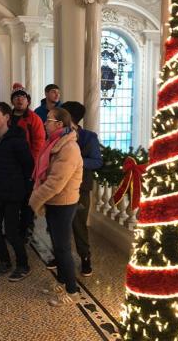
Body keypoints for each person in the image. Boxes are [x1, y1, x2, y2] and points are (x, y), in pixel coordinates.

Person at [29, 107, 83, 307]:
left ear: (60, 124)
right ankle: (62, 281)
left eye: (49, 120)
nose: (45, 123)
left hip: (63, 203)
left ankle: (72, 291)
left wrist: (34, 200)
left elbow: (55, 182)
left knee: (62, 248)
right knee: (57, 245)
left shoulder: (68, 148)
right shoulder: (54, 142)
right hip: (54, 202)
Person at [0, 102, 33, 281]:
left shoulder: (17, 141)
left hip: (13, 194)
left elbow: (28, 166)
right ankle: (4, 261)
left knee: (13, 232)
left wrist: (23, 190)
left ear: (7, 117)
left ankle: (23, 264)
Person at [61, 101, 103, 276]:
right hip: (60, 186)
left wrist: (76, 162)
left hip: (80, 188)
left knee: (79, 224)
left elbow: (97, 161)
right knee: (59, 225)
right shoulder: (57, 134)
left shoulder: (89, 137)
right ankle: (60, 256)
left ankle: (85, 257)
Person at [10, 83, 45, 241]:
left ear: (28, 100)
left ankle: (26, 228)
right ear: (12, 100)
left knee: (27, 199)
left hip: (27, 166)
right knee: (12, 197)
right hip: (9, 165)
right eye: (16, 97)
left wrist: (32, 165)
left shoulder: (34, 119)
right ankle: (12, 227)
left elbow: (38, 144)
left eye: (23, 97)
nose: (19, 99)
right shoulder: (7, 116)